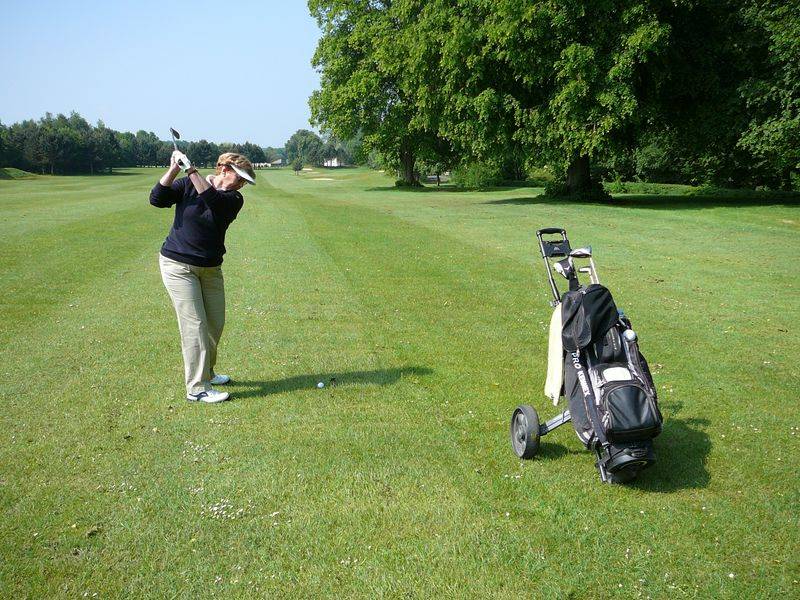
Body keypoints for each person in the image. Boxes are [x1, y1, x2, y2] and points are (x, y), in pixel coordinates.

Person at [150, 151, 256, 403]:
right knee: (195, 327)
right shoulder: (188, 183)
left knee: (214, 324)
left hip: (210, 269)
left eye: (245, 181)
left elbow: (213, 202)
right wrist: (175, 169)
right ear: (225, 170)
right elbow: (157, 199)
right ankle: (197, 388)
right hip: (178, 266)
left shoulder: (234, 198)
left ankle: (207, 372)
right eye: (240, 177)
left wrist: (191, 170)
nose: (242, 184)